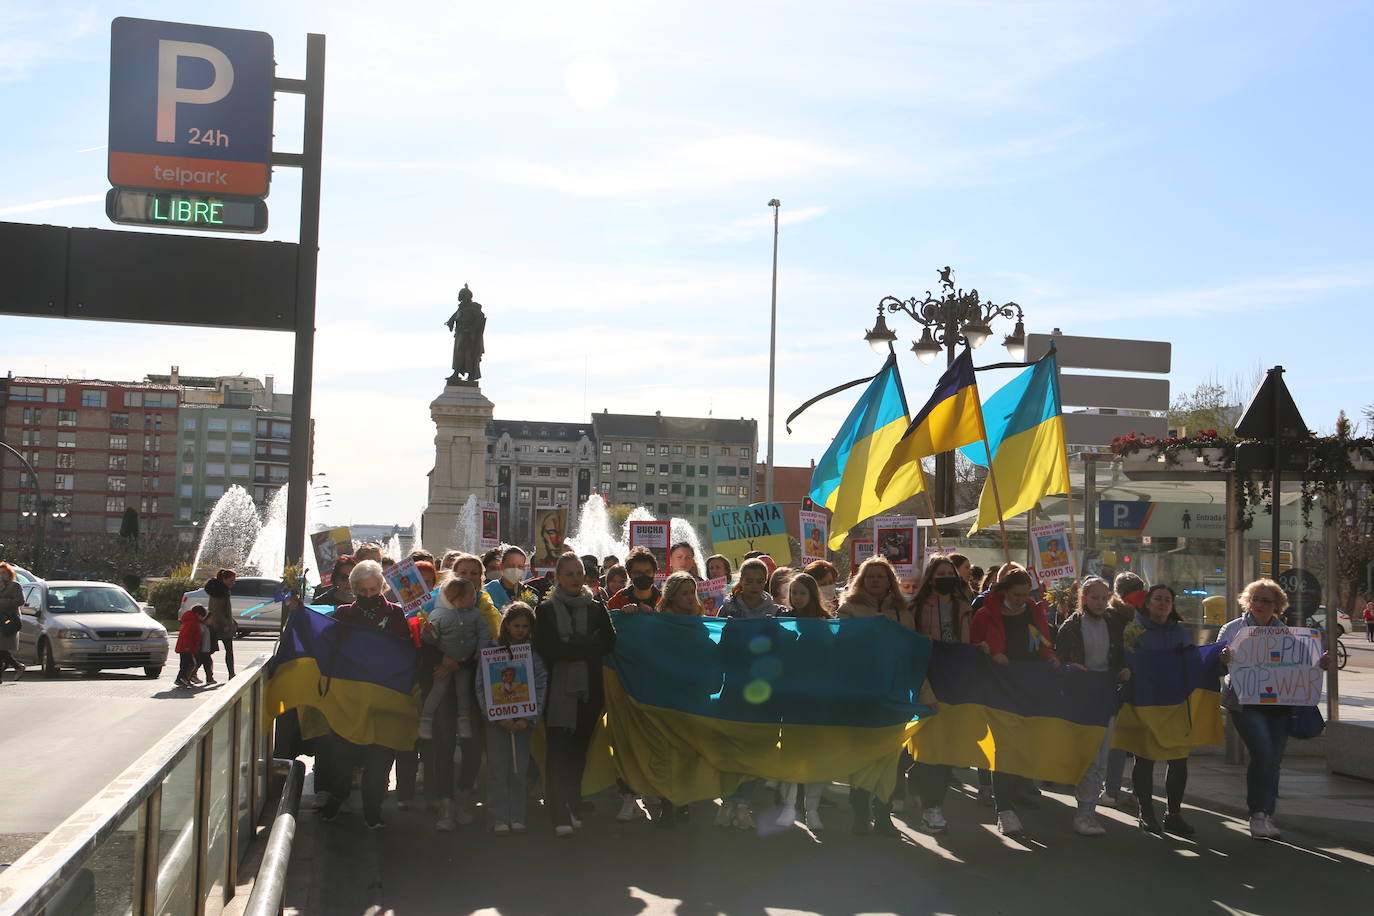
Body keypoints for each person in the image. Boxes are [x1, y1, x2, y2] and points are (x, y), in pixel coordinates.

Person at [1217, 579, 1329, 839]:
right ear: (1247, 601)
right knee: (1264, 754)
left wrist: (1320, 663)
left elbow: (1305, 665)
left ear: (1277, 606)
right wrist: (1222, 659)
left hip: (1278, 705)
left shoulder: (1288, 634)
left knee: (1274, 760)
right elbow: (1217, 667)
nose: (1258, 604)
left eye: (1265, 600)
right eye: (1255, 598)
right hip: (1244, 704)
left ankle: (1266, 814)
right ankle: (1257, 814)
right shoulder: (1233, 629)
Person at [321, 561, 412, 829]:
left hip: (385, 700)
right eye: (363, 590)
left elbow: (407, 651)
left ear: (382, 587)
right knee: (342, 758)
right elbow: (327, 649)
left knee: (380, 759)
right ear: (354, 590)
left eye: (374, 589)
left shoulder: (397, 614)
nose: (369, 595)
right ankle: (337, 798)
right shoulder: (342, 615)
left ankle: (373, 811)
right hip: (349, 701)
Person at [971, 569, 1059, 836]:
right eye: (1016, 594)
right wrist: (988, 652)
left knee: (1024, 746)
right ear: (1004, 592)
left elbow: (1042, 641)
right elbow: (973, 647)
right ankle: (1004, 809)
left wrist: (1051, 657)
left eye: (1025, 594)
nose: (1021, 599)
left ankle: (1018, 792)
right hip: (998, 689)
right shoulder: (985, 614)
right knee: (1006, 749)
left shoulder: (1034, 612)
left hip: (1029, 686)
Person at [534, 554, 617, 837]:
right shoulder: (545, 611)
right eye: (568, 574)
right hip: (555, 693)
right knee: (557, 751)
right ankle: (557, 811)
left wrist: (572, 643)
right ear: (558, 577)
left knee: (578, 752)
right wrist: (585, 644)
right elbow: (549, 650)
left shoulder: (596, 608)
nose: (574, 579)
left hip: (588, 692)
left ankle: (572, 802)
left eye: (579, 573)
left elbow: (608, 642)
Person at [906, 555, 977, 833]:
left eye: (950, 573)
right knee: (928, 746)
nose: (946, 577)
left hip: (955, 681)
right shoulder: (918, 606)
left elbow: (969, 641)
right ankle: (927, 801)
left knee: (947, 747)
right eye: (940, 573)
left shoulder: (964, 606)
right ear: (930, 578)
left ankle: (934, 805)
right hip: (928, 679)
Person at [1056, 577, 1130, 836]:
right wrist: (1070, 669)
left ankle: (1089, 812)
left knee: (1102, 757)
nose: (1099, 602)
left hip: (1106, 696)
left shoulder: (1114, 624)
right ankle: (1083, 813)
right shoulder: (1071, 626)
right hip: (1082, 698)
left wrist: (1123, 670)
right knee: (1089, 757)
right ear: (1084, 598)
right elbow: (1059, 662)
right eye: (1094, 597)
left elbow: (1120, 656)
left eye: (1103, 597)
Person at [1122, 583, 1195, 836]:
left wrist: (1219, 662)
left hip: (1174, 704)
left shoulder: (1181, 633)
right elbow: (1123, 660)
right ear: (1148, 602)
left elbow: (1193, 664)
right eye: (1158, 599)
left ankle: (1173, 814)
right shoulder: (1133, 630)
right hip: (1144, 703)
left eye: (1167, 600)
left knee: (1178, 759)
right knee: (1145, 758)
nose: (1163, 603)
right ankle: (1146, 812)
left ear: (1172, 606)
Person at [421, 575, 485, 830]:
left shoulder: (479, 613)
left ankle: (464, 793)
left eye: (474, 574)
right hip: (444, 684)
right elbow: (427, 643)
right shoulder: (436, 612)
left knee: (472, 746)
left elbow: (485, 639)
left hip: (472, 684)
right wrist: (443, 658)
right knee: (444, 745)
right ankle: (445, 800)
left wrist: (463, 662)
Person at [476, 602, 546, 834]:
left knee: (518, 768)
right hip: (497, 722)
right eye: (516, 625)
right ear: (506, 624)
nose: (520, 630)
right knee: (497, 768)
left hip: (523, 721)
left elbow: (540, 686)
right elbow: (482, 686)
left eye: (525, 626)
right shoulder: (493, 651)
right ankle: (497, 816)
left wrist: (528, 718)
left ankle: (517, 814)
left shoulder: (533, 654)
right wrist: (495, 716)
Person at [774, 572, 833, 831]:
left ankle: (813, 809)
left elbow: (833, 657)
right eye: (793, 593)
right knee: (790, 752)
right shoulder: (781, 618)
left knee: (816, 754)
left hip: (817, 698)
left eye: (802, 593)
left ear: (812, 595)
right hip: (790, 698)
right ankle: (789, 807)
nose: (797, 598)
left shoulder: (825, 621)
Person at [837, 557, 914, 629]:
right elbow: (843, 637)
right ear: (862, 581)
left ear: (889, 581)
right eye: (870, 576)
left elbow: (910, 638)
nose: (875, 580)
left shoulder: (901, 609)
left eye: (880, 576)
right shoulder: (849, 608)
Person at [485, 545, 542, 612]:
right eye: (511, 566)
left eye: (519, 566)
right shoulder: (488, 591)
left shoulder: (532, 594)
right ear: (501, 566)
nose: (515, 569)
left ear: (524, 569)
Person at [204, 568, 238, 679]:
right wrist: (226, 624)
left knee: (208, 651)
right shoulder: (221, 592)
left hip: (216, 623)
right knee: (226, 651)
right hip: (220, 625)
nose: (233, 583)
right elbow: (218, 610)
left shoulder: (216, 589)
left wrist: (232, 621)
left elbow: (222, 610)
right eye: (231, 580)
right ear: (224, 579)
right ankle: (231, 674)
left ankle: (208, 676)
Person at [607, 547, 662, 614]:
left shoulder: (664, 602)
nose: (643, 576)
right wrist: (622, 614)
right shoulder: (617, 602)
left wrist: (654, 614)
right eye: (638, 572)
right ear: (629, 574)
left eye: (648, 572)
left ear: (654, 573)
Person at [174, 604, 210, 688]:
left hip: (186, 647)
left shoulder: (189, 620)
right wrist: (188, 646)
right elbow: (187, 635)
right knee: (192, 663)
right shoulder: (192, 622)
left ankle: (181, 678)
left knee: (185, 663)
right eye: (202, 616)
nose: (202, 619)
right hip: (187, 647)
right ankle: (184, 677)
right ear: (198, 614)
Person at [0, 562, 24, 682]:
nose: (1, 575)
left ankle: (17, 666)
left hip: (9, 621)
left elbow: (20, 601)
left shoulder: (14, 586)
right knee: (2, 649)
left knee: (2, 649)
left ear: (9, 573)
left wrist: (3, 602)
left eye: (4, 572)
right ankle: (18, 666)